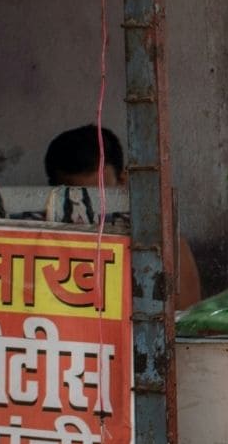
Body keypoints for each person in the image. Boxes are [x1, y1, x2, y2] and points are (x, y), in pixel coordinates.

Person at [45, 124, 202, 310]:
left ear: (123, 181)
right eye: (73, 198)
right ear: (52, 192)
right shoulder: (38, 240)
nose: (84, 212)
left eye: (100, 197)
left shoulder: (162, 243)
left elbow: (185, 318)